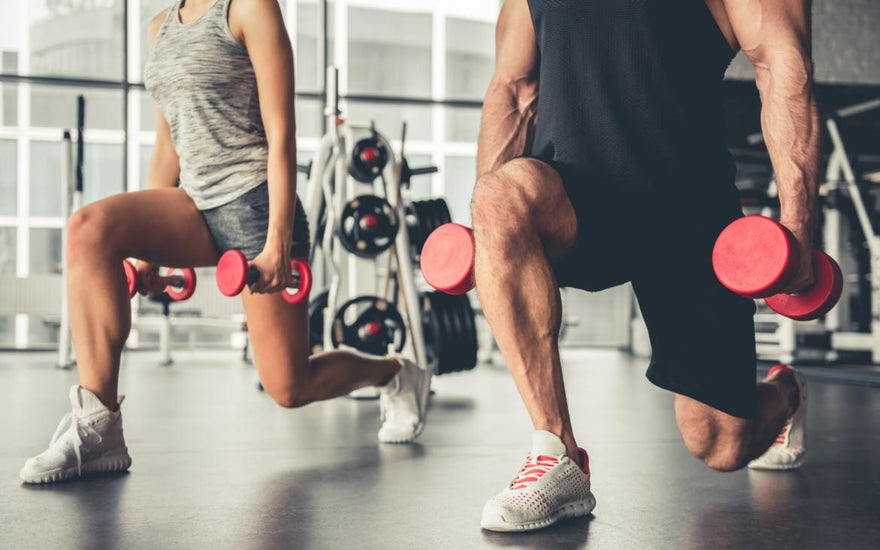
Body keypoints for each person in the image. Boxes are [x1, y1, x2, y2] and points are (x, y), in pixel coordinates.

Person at [20, 0, 431, 485]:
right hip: (193, 203)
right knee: (89, 228)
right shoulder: (160, 28)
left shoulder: (248, 7)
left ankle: (395, 373)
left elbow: (283, 134)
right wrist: (148, 252)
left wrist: (278, 240)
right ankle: (99, 426)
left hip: (254, 204)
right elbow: (167, 144)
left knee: (288, 385)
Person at [475, 0, 817, 532]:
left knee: (719, 442)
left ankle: (784, 395)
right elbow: (514, 89)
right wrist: (488, 236)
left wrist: (797, 229)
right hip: (575, 195)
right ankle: (556, 453)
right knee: (497, 199)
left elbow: (780, 62)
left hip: (689, 212)